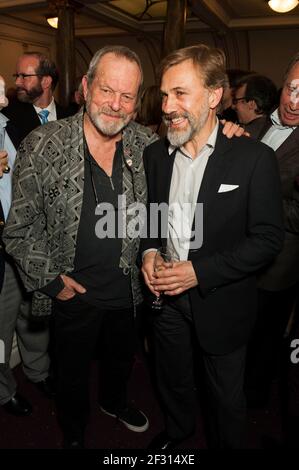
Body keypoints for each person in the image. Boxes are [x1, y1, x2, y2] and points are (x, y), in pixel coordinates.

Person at [3, 45, 159, 449]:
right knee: (70, 375)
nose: (115, 104)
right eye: (107, 90)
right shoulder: (41, 144)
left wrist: (232, 134)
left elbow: (197, 157)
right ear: (86, 87)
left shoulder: (150, 145)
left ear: (137, 101)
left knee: (122, 362)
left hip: (131, 292)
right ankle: (74, 431)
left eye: (127, 96)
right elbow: (17, 229)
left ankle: (114, 401)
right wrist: (53, 282)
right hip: (73, 295)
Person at [141, 44, 284, 449]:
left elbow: (268, 239)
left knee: (225, 397)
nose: (168, 106)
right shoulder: (156, 155)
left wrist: (199, 272)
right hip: (164, 299)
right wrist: (149, 253)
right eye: (165, 93)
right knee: (173, 379)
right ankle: (179, 434)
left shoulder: (254, 158)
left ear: (214, 96)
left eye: (180, 93)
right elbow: (151, 215)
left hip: (221, 301)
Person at [244, 52, 299, 408]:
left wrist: (256, 203)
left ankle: (254, 398)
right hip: (231, 254)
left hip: (277, 263)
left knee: (263, 338)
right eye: (292, 88)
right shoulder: (251, 127)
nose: (295, 101)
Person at [0, 74, 54, 416]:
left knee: (33, 313)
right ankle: (4, 391)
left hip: (28, 239)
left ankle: (38, 371)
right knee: (0, 330)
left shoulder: (12, 124)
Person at [2, 52, 73, 142]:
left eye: (24, 76)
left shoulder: (70, 118)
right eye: (17, 76)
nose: (17, 82)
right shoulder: (8, 117)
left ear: (46, 82)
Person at [232, 74, 278, 139]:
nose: (233, 106)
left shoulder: (243, 135)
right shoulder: (275, 130)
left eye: (236, 101)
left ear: (251, 104)